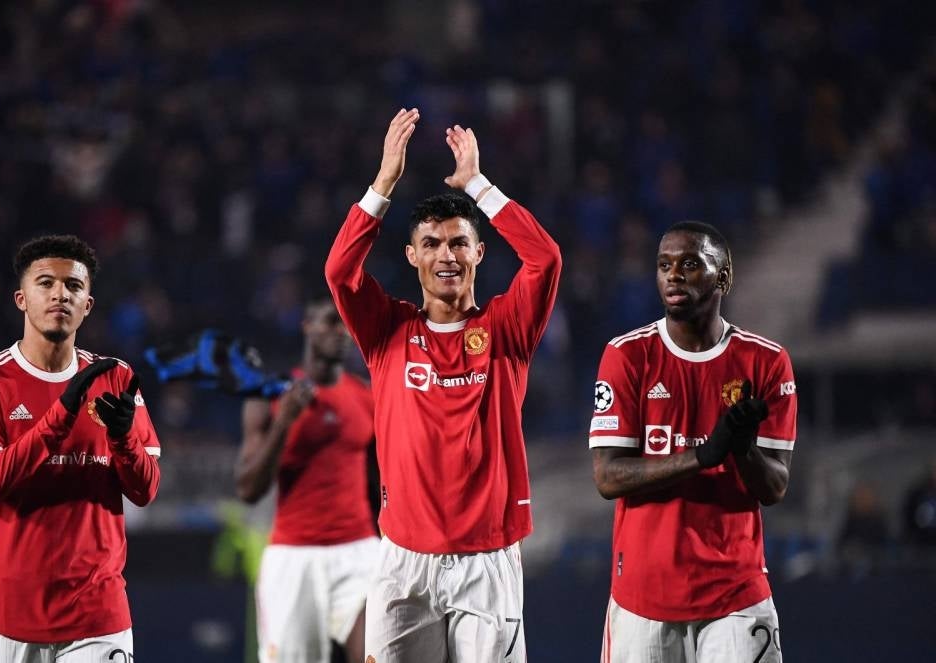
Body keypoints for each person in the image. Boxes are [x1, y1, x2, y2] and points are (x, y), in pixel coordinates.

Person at [325, 108, 562, 662]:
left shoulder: (505, 330)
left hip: (487, 558)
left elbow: (545, 257)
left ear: (479, 253)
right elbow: (340, 272)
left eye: (458, 243)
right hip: (402, 560)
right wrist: (385, 180)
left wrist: (477, 184)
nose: (446, 255)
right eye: (430, 244)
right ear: (411, 258)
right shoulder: (388, 331)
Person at [588, 221, 797, 663]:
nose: (673, 275)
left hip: (736, 596)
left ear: (722, 277)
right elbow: (608, 477)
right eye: (664, 265)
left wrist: (742, 448)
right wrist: (702, 455)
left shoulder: (766, 361)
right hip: (642, 599)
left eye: (689, 264)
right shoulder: (627, 355)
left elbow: (775, 487)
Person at [0, 234, 161, 663]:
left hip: (96, 617)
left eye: (74, 286)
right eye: (45, 283)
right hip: (6, 618)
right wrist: (62, 413)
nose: (60, 293)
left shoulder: (116, 378)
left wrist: (122, 440)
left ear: (88, 305)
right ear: (21, 298)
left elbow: (145, 490)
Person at [234, 299, 377, 663]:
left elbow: (381, 483)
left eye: (346, 325)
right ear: (307, 327)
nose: (341, 332)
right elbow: (248, 490)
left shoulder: (367, 397)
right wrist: (285, 423)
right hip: (295, 556)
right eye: (331, 322)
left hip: (360, 551)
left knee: (382, 653)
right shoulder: (270, 396)